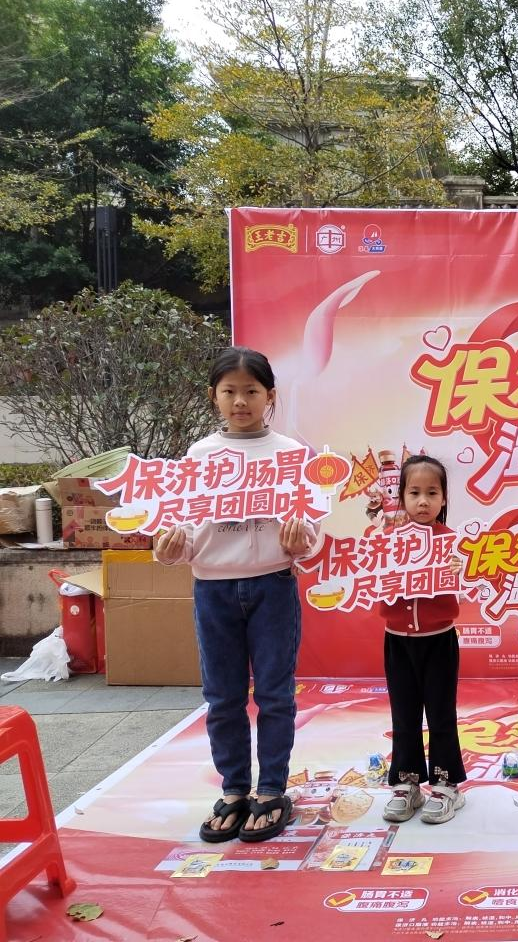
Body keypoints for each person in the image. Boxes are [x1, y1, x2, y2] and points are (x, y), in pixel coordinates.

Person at [155, 347, 314, 843]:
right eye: (230, 391)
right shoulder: (199, 457)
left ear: (270, 396)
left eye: (251, 391)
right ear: (214, 396)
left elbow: (311, 526)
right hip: (213, 589)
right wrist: (171, 548)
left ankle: (271, 790)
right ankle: (234, 789)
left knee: (274, 694)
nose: (240, 401)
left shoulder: (291, 453)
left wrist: (301, 541)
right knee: (222, 696)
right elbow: (182, 528)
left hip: (273, 586)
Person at [379, 455, 467, 824]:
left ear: (444, 498)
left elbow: (472, 582)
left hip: (439, 641)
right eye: (414, 492)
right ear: (401, 496)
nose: (423, 501)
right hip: (397, 642)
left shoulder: (455, 544)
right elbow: (367, 580)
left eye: (432, 493)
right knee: (404, 714)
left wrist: (462, 568)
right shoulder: (385, 542)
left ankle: (447, 785)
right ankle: (407, 782)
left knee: (441, 713)